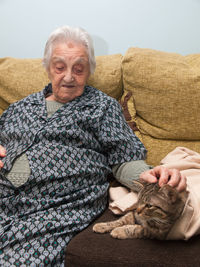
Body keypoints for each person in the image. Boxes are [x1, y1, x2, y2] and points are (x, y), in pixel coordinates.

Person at [0, 25, 186, 266]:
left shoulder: (102, 107)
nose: (68, 77)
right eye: (59, 67)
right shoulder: (18, 108)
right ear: (47, 68)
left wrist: (148, 175)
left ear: (89, 71)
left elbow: (124, 158)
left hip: (54, 210)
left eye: (79, 69)